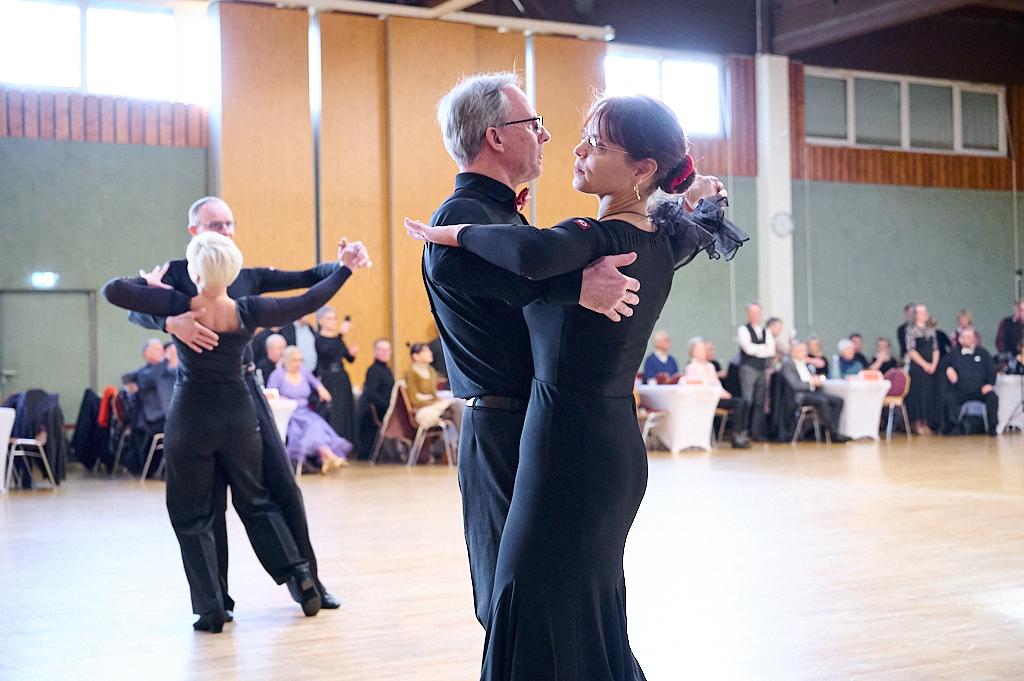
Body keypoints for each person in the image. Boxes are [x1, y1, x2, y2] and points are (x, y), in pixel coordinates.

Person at [407, 92, 745, 680]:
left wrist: (461, 236)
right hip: (578, 438)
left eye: (598, 141)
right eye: (538, 125)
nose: (564, 142)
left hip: (562, 440)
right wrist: (703, 200)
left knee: (531, 604)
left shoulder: (586, 234)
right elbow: (697, 228)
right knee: (568, 609)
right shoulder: (656, 238)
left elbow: (534, 257)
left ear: (642, 168)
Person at [421, 72, 650, 633]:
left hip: (541, 424)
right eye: (535, 124)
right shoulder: (458, 217)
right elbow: (449, 264)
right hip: (502, 425)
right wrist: (572, 288)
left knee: (551, 593)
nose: (547, 137)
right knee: (510, 600)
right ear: (496, 137)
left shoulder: (508, 218)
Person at [104, 232, 369, 632]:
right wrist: (345, 270)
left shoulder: (179, 305)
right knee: (258, 499)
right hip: (239, 416)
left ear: (193, 271)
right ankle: (299, 575)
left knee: (191, 512)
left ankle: (211, 609)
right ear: (232, 271)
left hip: (192, 417)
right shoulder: (250, 310)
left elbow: (113, 291)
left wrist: (153, 287)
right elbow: (309, 299)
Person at [268, 346, 353, 471]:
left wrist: (322, 390)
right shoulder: (277, 375)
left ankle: (326, 458)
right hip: (289, 415)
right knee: (309, 426)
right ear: (287, 360)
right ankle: (329, 456)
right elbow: (271, 394)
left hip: (305, 411)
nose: (298, 363)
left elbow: (316, 383)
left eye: (300, 360)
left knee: (316, 424)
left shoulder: (303, 372)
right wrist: (282, 398)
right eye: (295, 360)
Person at [685, 337, 750, 448]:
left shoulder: (710, 366)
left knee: (744, 401)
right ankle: (735, 437)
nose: (703, 351)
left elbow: (716, 384)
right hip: (706, 398)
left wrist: (724, 392)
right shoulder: (691, 367)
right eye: (700, 348)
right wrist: (720, 393)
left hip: (717, 395)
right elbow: (702, 385)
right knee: (738, 403)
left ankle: (740, 433)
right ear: (693, 351)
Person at [778, 343, 850, 442]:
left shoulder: (805, 364)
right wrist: (812, 381)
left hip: (813, 391)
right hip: (800, 394)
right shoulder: (788, 364)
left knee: (838, 401)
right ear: (793, 351)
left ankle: (832, 430)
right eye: (801, 351)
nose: (804, 353)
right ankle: (833, 433)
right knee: (822, 401)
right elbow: (795, 385)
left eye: (804, 351)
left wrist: (816, 379)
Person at [941, 326, 998, 435]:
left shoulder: (983, 353)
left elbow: (992, 369)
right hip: (960, 390)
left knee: (993, 397)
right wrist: (948, 368)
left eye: (972, 337)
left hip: (980, 390)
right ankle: (954, 427)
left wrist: (990, 384)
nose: (971, 339)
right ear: (960, 340)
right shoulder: (954, 354)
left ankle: (992, 427)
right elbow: (943, 364)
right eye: (967, 337)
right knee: (950, 397)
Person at [314, 306, 357, 443]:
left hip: (342, 378)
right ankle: (333, 443)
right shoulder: (319, 338)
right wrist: (340, 334)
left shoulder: (337, 339)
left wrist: (351, 353)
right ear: (321, 321)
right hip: (329, 379)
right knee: (334, 412)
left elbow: (347, 358)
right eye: (329, 319)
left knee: (344, 411)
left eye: (334, 319)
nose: (333, 322)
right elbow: (326, 352)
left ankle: (346, 443)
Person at [737, 302, 775, 440]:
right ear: (748, 314)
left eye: (757, 312)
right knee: (747, 400)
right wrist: (763, 348)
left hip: (761, 369)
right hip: (748, 368)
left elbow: (771, 350)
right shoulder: (743, 329)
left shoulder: (766, 331)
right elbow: (748, 349)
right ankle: (743, 431)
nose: (755, 315)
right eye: (752, 312)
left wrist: (757, 349)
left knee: (759, 401)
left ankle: (756, 432)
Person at [355, 338, 395, 458]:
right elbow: (371, 393)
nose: (385, 353)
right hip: (379, 411)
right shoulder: (373, 370)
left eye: (387, 350)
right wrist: (389, 405)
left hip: (385, 407)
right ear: (375, 352)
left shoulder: (387, 370)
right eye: (381, 350)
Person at [905, 303, 940, 434]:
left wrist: (934, 364)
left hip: (931, 366)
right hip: (918, 367)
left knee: (929, 394)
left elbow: (936, 349)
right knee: (918, 394)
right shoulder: (911, 329)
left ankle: (927, 422)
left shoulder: (931, 329)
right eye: (921, 312)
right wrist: (925, 364)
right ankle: (917, 423)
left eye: (926, 312)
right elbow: (911, 350)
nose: (925, 314)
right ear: (916, 315)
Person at [403, 343, 452, 428]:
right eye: (425, 351)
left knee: (458, 404)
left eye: (429, 350)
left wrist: (436, 399)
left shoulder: (431, 370)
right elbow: (414, 399)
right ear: (415, 356)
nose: (430, 353)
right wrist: (433, 401)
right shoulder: (411, 373)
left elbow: (433, 393)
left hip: (435, 404)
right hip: (422, 408)